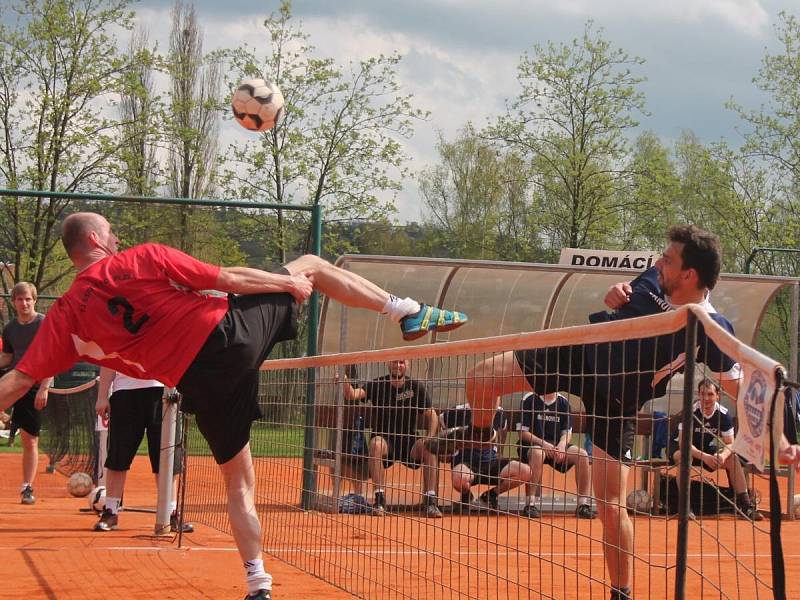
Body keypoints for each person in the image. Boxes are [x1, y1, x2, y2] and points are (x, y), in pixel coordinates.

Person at [0, 212, 468, 600]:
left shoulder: (63, 317)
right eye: (111, 232)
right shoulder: (138, 258)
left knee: (238, 480)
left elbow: (18, 379)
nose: (118, 237)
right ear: (96, 239)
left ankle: (257, 580)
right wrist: (287, 285)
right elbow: (231, 279)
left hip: (197, 386)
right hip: (226, 338)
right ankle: (405, 310)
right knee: (310, 264)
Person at [432, 225, 742, 600]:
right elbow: (623, 295)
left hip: (617, 402)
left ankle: (621, 592)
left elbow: (737, 384)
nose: (659, 262)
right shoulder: (655, 278)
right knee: (480, 378)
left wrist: (770, 408)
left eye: (668, 259)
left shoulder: (708, 325)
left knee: (610, 507)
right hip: (581, 353)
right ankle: (481, 434)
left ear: (689, 275)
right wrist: (615, 293)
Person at [92, 368, 195, 532]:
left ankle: (170, 513)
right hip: (125, 392)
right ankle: (110, 511)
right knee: (118, 455)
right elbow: (108, 361)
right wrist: (102, 396)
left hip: (163, 392)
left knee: (166, 458)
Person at [341, 359, 443, 518]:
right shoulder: (377, 384)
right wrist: (344, 381)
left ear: (407, 365)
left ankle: (431, 501)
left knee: (429, 447)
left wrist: (430, 437)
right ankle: (379, 500)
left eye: (402, 362)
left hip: (408, 442)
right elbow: (352, 394)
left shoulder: (415, 386)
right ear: (389, 364)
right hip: (385, 441)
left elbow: (432, 414)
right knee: (375, 443)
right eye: (395, 362)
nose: (398, 365)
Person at [669, 378, 761, 520]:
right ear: (698, 395)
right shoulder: (690, 411)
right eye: (702, 394)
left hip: (704, 448)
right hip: (679, 449)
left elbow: (730, 444)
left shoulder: (723, 415)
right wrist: (705, 457)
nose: (706, 398)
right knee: (685, 457)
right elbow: (683, 443)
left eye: (710, 394)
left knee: (733, 459)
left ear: (718, 395)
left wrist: (723, 456)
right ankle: (686, 508)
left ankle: (746, 507)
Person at [0, 282, 54, 505]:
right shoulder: (10, 328)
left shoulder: (44, 324)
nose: (24, 303)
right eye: (20, 299)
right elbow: (7, 357)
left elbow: (53, 356)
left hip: (35, 384)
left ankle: (27, 487)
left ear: (34, 300)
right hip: (14, 380)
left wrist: (44, 387)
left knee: (29, 440)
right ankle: (5, 417)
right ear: (14, 302)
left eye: (28, 299)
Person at [516, 391, 596, 519]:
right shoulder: (529, 399)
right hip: (533, 444)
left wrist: (562, 444)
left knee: (582, 454)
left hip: (555, 445)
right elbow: (522, 433)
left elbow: (567, 433)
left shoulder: (563, 402)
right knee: (537, 453)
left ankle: (583, 504)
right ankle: (530, 504)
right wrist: (543, 444)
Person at [440, 402, 529, 512]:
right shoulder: (457, 411)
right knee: (459, 479)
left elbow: (503, 429)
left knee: (525, 471)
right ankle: (466, 497)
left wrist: (499, 450)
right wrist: (447, 451)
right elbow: (442, 423)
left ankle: (490, 496)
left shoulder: (498, 412)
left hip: (491, 462)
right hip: (466, 464)